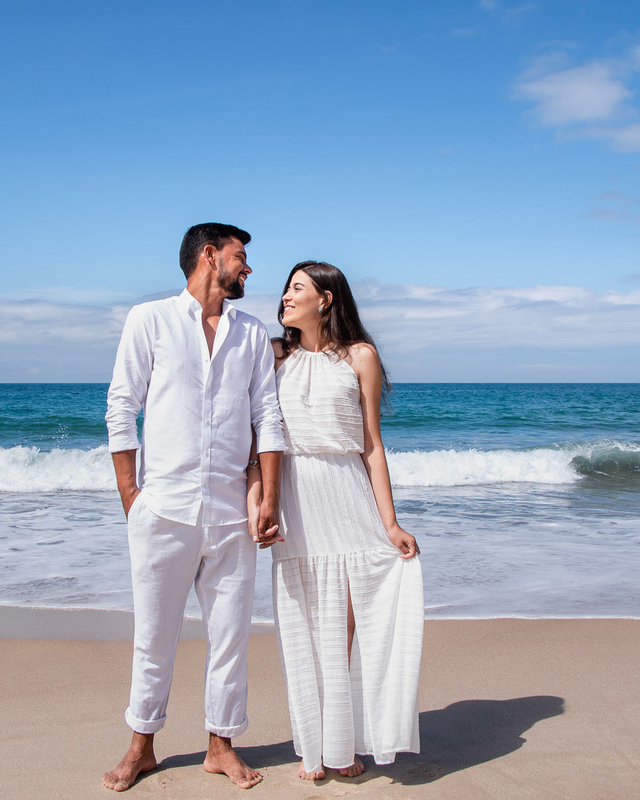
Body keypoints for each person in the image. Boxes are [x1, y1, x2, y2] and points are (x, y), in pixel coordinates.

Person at [103, 223, 286, 791]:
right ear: (210, 256)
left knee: (230, 639)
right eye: (240, 256)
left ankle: (220, 746)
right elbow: (121, 407)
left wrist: (269, 497)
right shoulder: (149, 319)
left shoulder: (251, 333)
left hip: (232, 513)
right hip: (163, 511)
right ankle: (141, 747)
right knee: (153, 638)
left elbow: (267, 415)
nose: (248, 267)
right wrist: (132, 497)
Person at [248, 260, 424, 781]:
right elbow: (256, 439)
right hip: (295, 497)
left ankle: (340, 742)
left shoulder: (360, 356)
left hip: (346, 496)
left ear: (325, 299)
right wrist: (261, 498)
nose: (285, 296)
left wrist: (390, 524)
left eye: (297, 288)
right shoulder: (273, 356)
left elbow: (371, 446)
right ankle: (315, 744)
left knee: (343, 625)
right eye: (286, 288)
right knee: (305, 623)